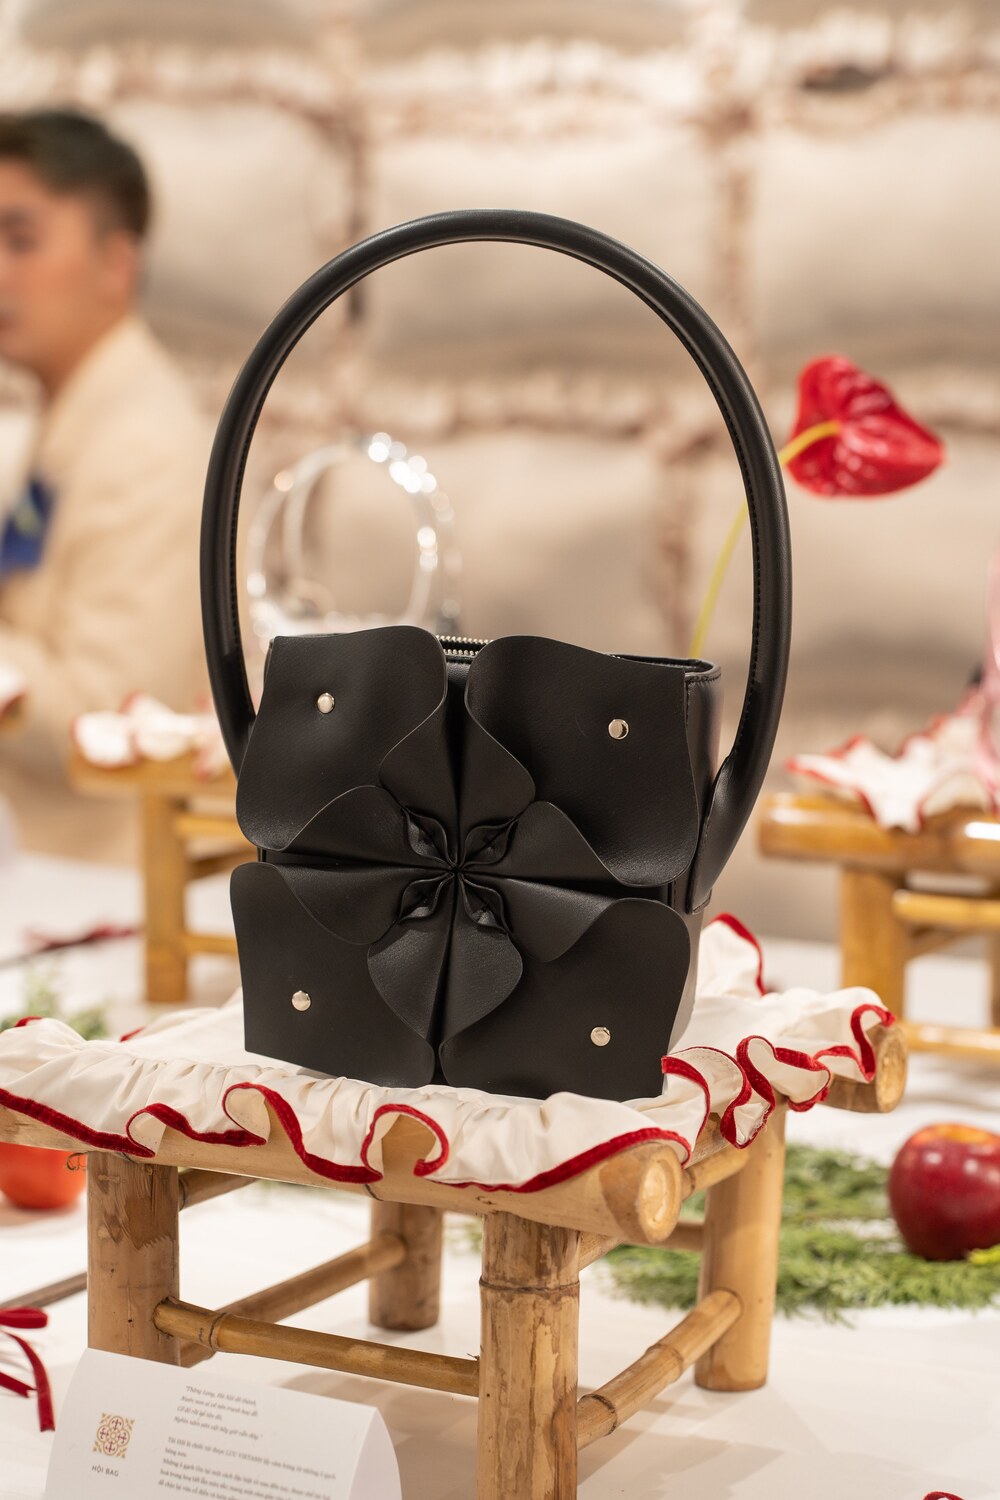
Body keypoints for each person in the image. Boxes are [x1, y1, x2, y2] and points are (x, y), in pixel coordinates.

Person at [0, 108, 210, 861]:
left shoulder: (146, 444)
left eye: (21, 240)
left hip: (113, 878)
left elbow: (110, 717)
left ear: (116, 266)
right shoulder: (75, 419)